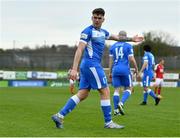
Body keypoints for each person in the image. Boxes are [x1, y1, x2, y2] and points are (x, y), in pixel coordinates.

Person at [51, 8, 143, 129]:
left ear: (103, 19)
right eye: (95, 17)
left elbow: (116, 37)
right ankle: (108, 122)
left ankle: (59, 115)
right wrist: (74, 69)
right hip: (91, 65)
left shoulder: (103, 32)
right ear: (92, 18)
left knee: (83, 94)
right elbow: (80, 49)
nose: (97, 20)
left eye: (99, 18)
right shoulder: (87, 31)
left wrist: (131, 39)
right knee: (105, 91)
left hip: (89, 66)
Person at [109, 31, 138, 116]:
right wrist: (136, 68)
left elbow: (110, 61)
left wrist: (110, 71)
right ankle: (121, 103)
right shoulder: (128, 46)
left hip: (115, 69)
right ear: (125, 37)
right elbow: (132, 59)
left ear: (118, 36)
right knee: (129, 88)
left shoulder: (112, 47)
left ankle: (115, 111)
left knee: (116, 90)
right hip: (125, 69)